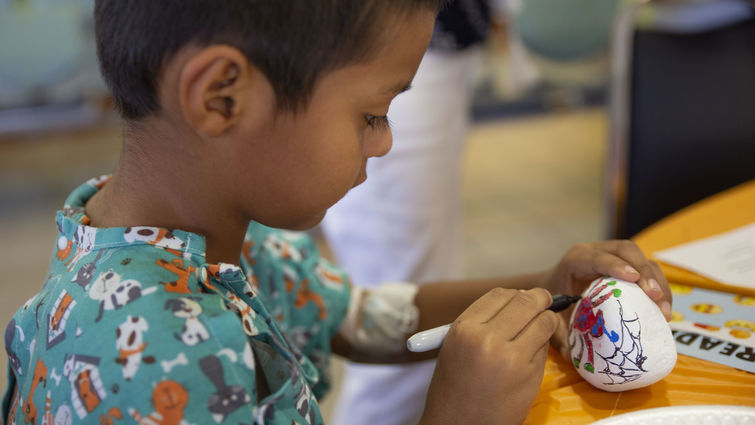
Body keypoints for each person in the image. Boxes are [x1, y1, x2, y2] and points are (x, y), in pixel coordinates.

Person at [2, 1, 672, 425]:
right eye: (371, 114)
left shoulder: (225, 232)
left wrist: (544, 286)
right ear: (222, 97)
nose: (385, 142)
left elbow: (359, 319)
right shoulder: (154, 361)